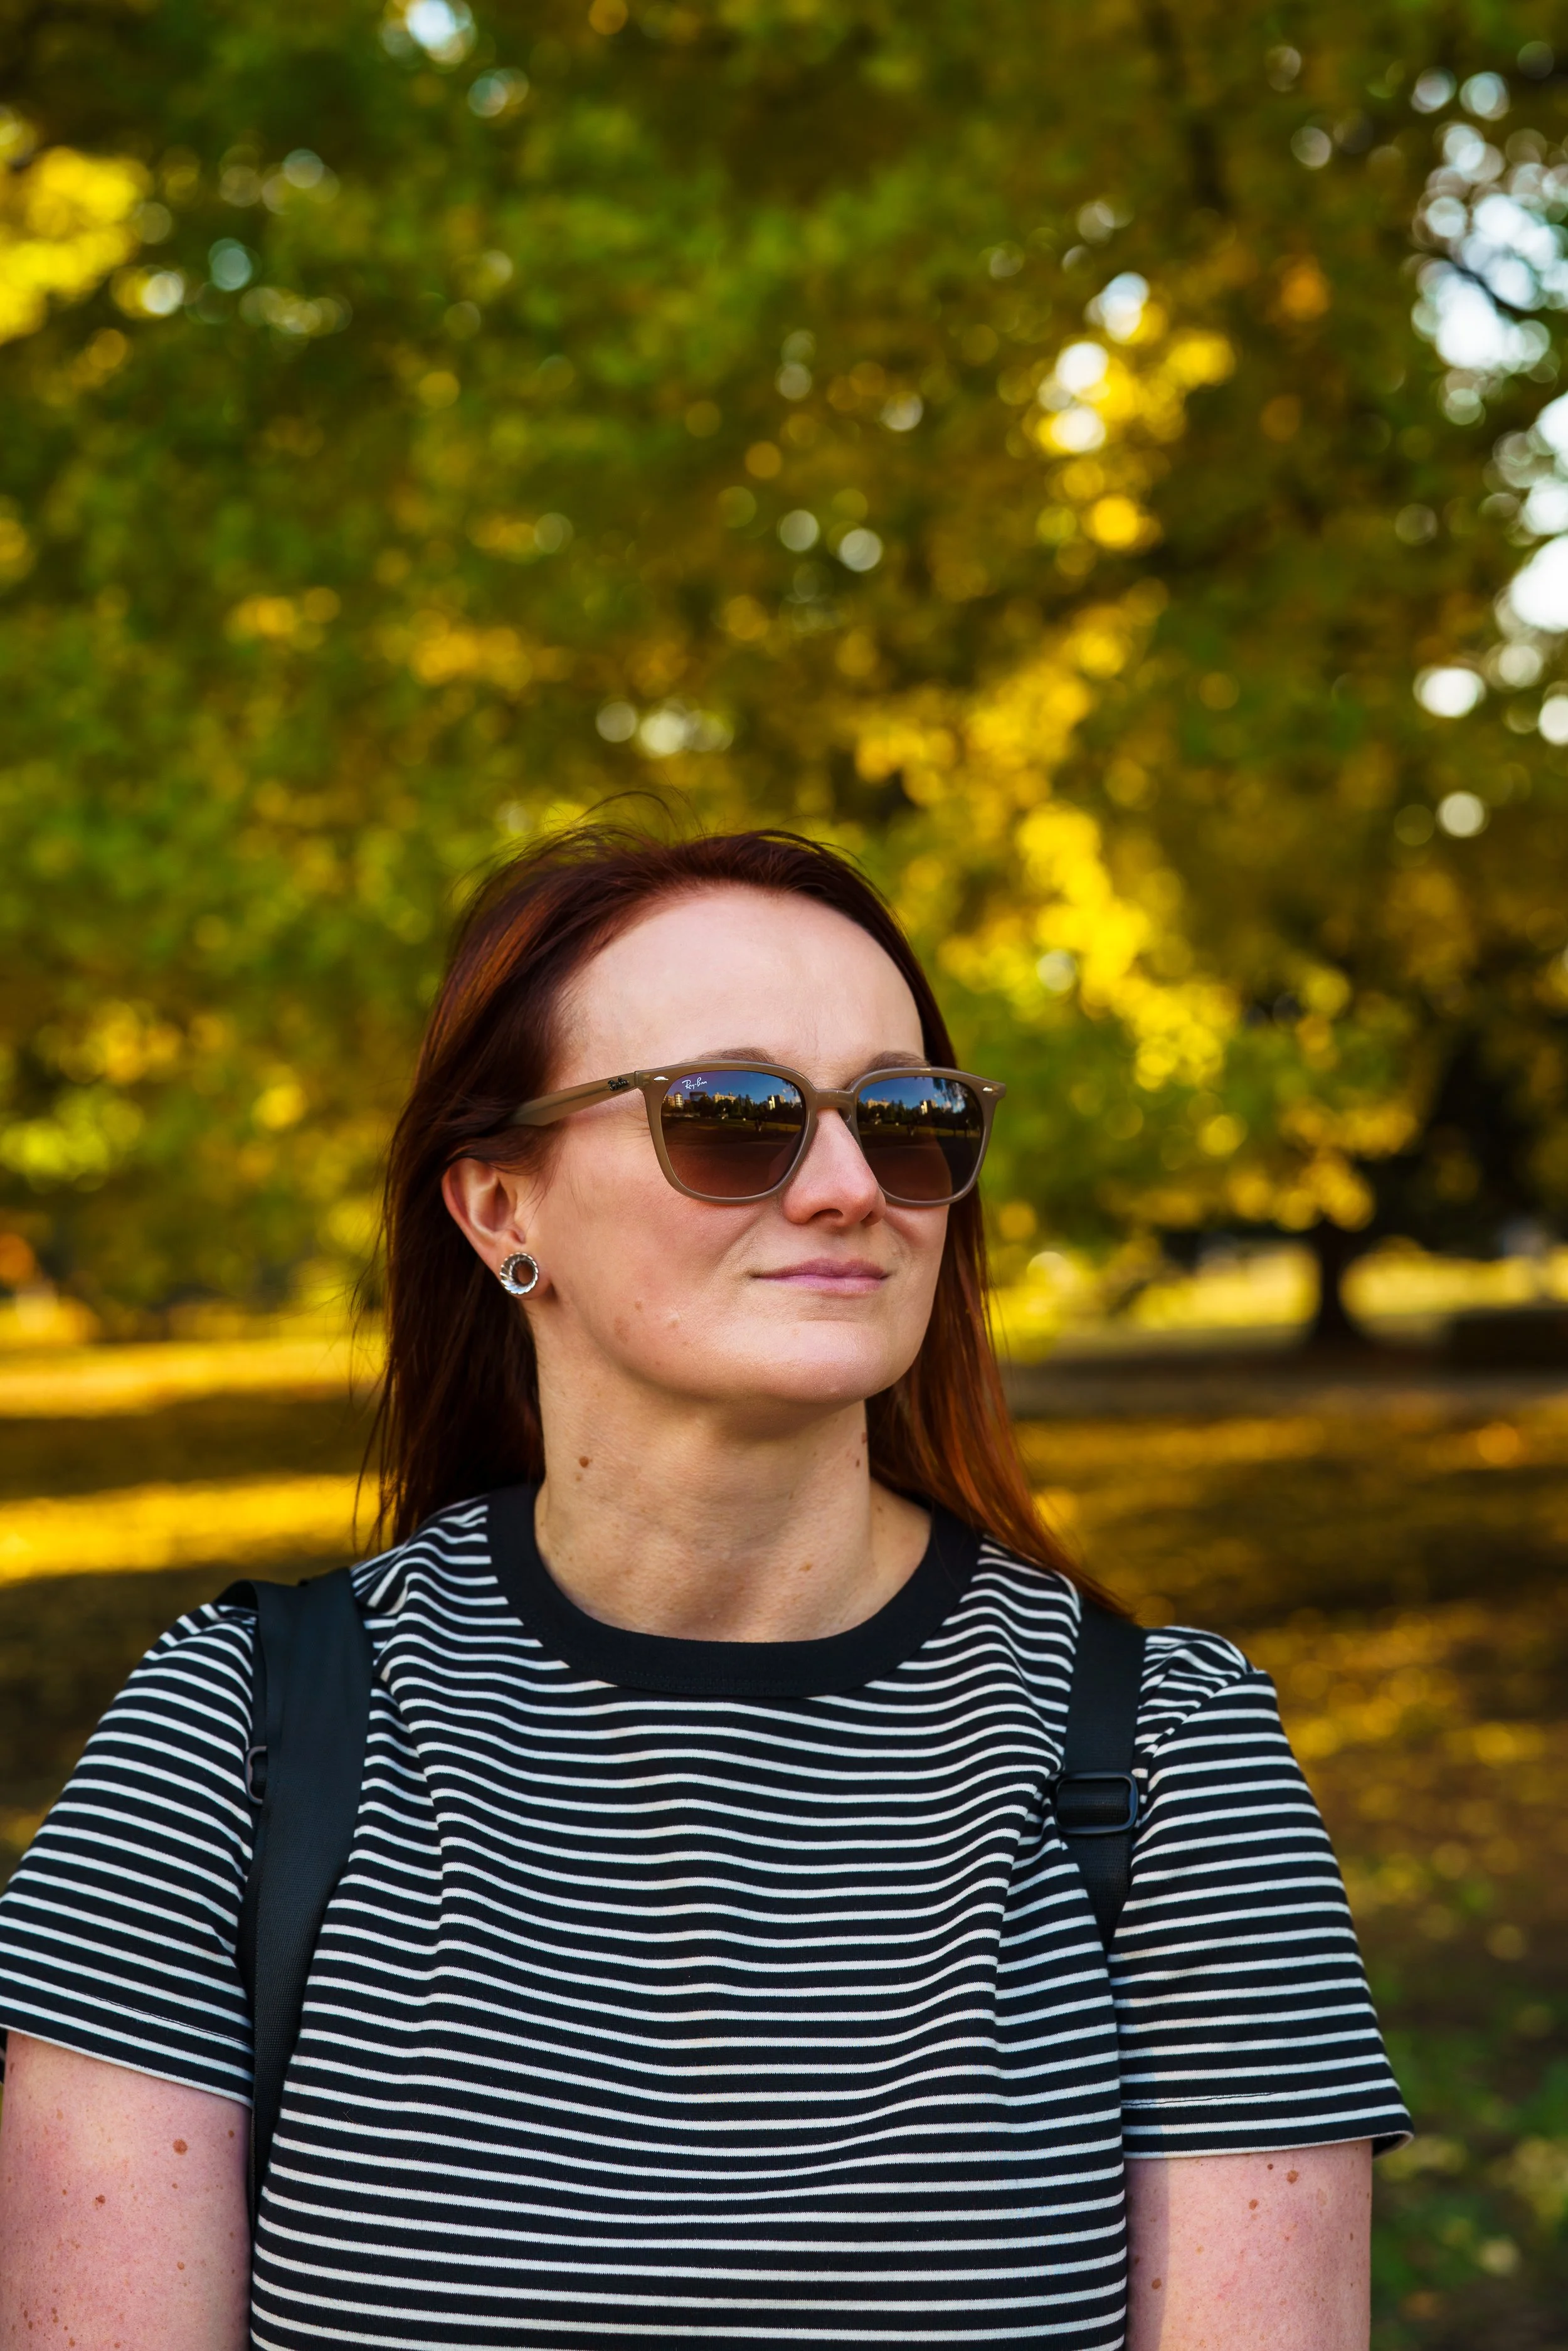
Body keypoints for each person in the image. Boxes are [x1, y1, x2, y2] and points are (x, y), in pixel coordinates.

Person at [0, 827, 1407, 2349]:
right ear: (497, 1208)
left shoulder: (1164, 1751)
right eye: (735, 1114)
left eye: (907, 1114)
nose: (849, 1186)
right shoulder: (239, 1731)